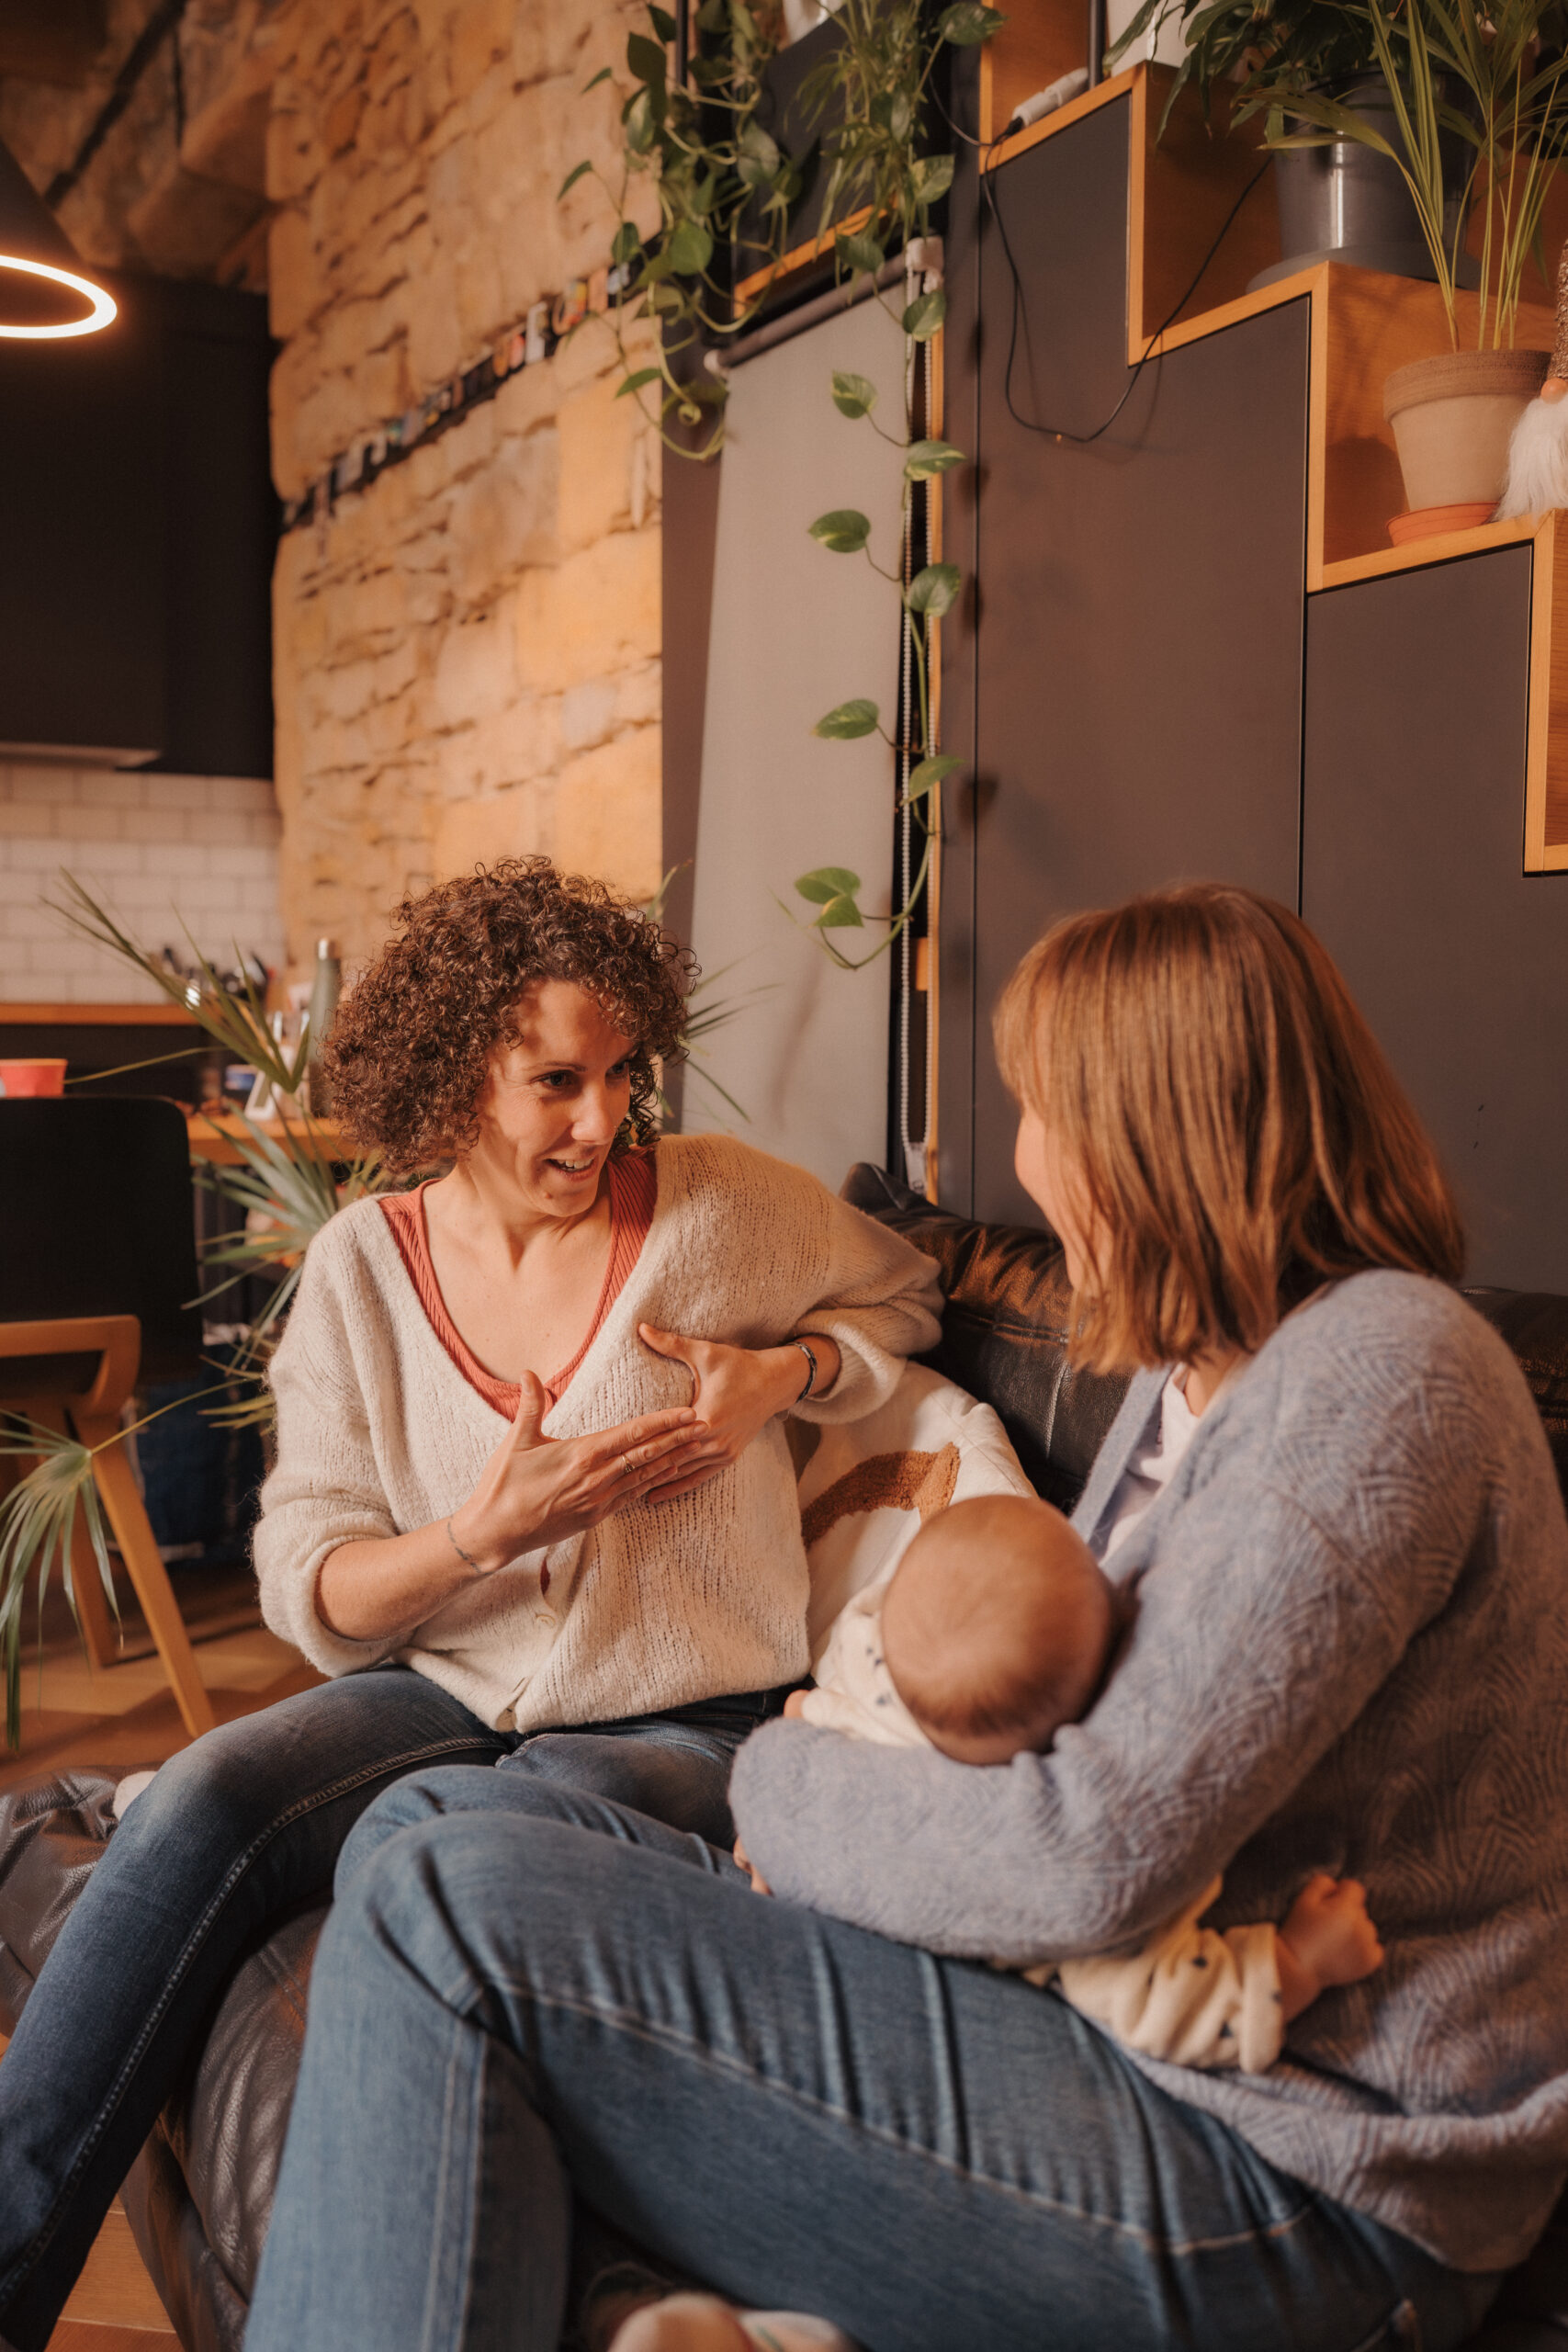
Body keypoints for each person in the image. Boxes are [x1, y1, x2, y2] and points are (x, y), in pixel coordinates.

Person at [243, 883, 1568, 2352]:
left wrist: (794, 1780)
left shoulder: (1380, 1376)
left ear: (1150, 1135)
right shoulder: (1197, 1379)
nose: (1028, 1160)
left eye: (1036, 1111)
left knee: (448, 1915)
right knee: (444, 1837)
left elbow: (1089, 1857)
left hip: (1299, 2171)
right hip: (1108, 2035)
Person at [0, 859, 942, 2352]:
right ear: (454, 1075)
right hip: (446, 1684)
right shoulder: (360, 1268)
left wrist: (793, 1376)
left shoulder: (717, 1211)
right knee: (199, 1798)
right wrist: (479, 1536)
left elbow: (901, 1296)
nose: (602, 1120)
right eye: (556, 1081)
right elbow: (316, 1585)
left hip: (686, 1717)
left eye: (623, 1073)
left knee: (417, 1845)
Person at [784, 1490, 1384, 2075]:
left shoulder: (865, 1662)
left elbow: (799, 1743)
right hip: (918, 2009)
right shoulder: (1052, 1855)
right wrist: (1297, 1964)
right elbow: (1162, 2004)